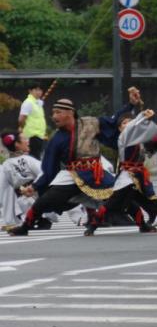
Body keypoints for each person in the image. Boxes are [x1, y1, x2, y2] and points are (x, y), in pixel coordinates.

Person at [7, 97, 116, 235]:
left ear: (70, 113)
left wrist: (132, 105)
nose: (53, 117)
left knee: (123, 194)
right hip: (73, 174)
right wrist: (35, 187)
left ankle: (142, 223)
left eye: (58, 112)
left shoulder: (90, 124)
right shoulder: (57, 139)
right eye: (53, 113)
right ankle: (25, 227)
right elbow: (49, 170)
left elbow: (115, 122)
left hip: (96, 172)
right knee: (43, 202)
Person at [84, 110, 157, 235]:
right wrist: (142, 116)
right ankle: (92, 227)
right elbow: (132, 128)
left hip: (139, 177)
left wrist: (148, 123)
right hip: (127, 178)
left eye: (129, 122)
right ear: (120, 129)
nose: (127, 124)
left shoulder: (138, 140)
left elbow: (148, 137)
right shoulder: (123, 138)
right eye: (123, 123)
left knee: (153, 203)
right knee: (111, 204)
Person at [0, 131, 45, 229]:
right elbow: (46, 174)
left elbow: (5, 193)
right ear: (17, 144)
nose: (28, 141)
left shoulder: (6, 165)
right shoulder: (28, 159)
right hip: (40, 199)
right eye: (24, 139)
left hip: (25, 203)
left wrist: (9, 220)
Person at [17, 83, 47, 159]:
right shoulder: (28, 103)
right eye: (36, 90)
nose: (38, 92)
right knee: (33, 158)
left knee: (37, 157)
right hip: (31, 135)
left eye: (40, 90)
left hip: (39, 135)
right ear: (30, 91)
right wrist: (22, 128)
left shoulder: (38, 103)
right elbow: (21, 119)